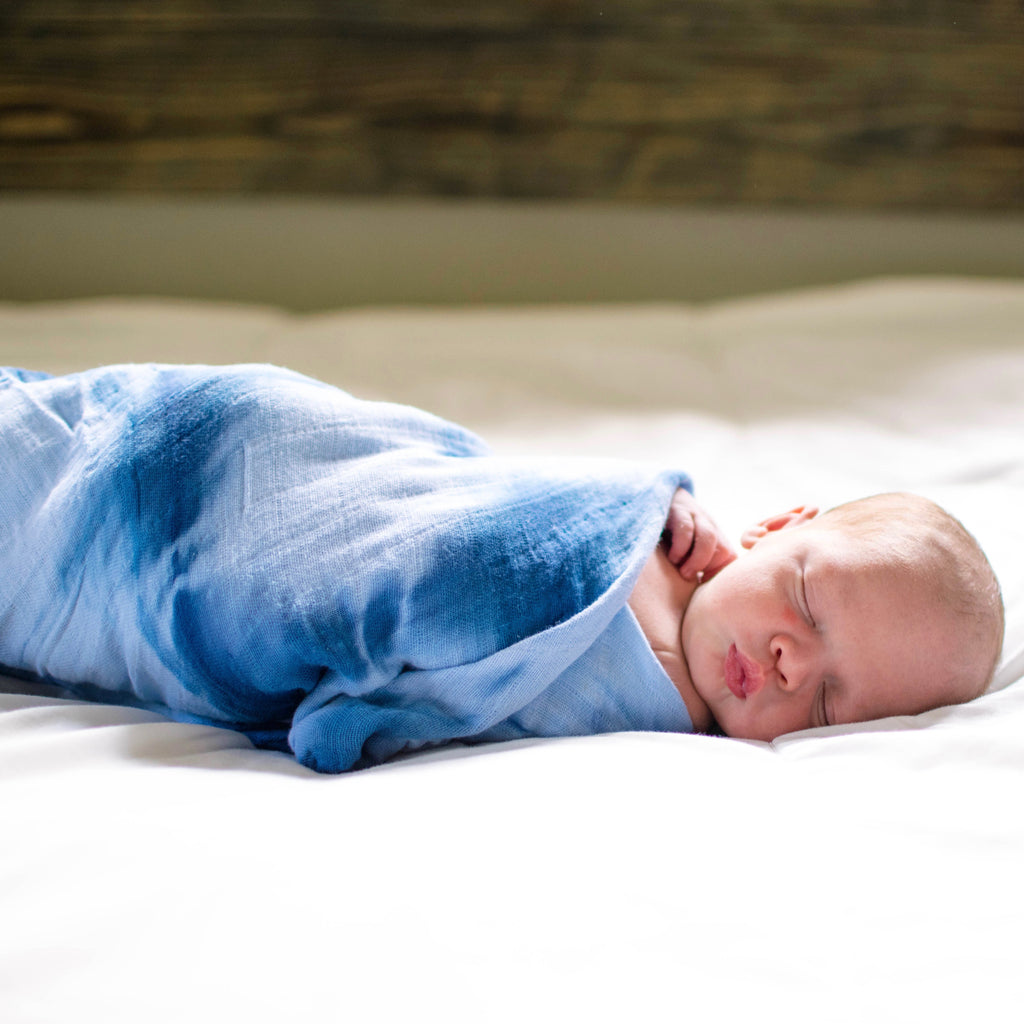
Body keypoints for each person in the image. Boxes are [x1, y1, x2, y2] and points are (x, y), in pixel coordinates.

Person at [0, 363, 1004, 771]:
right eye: (803, 599)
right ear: (780, 524)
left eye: (826, 704)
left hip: (180, 578)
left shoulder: (662, 733)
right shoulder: (661, 522)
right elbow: (488, 495)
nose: (787, 662)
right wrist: (656, 501)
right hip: (232, 447)